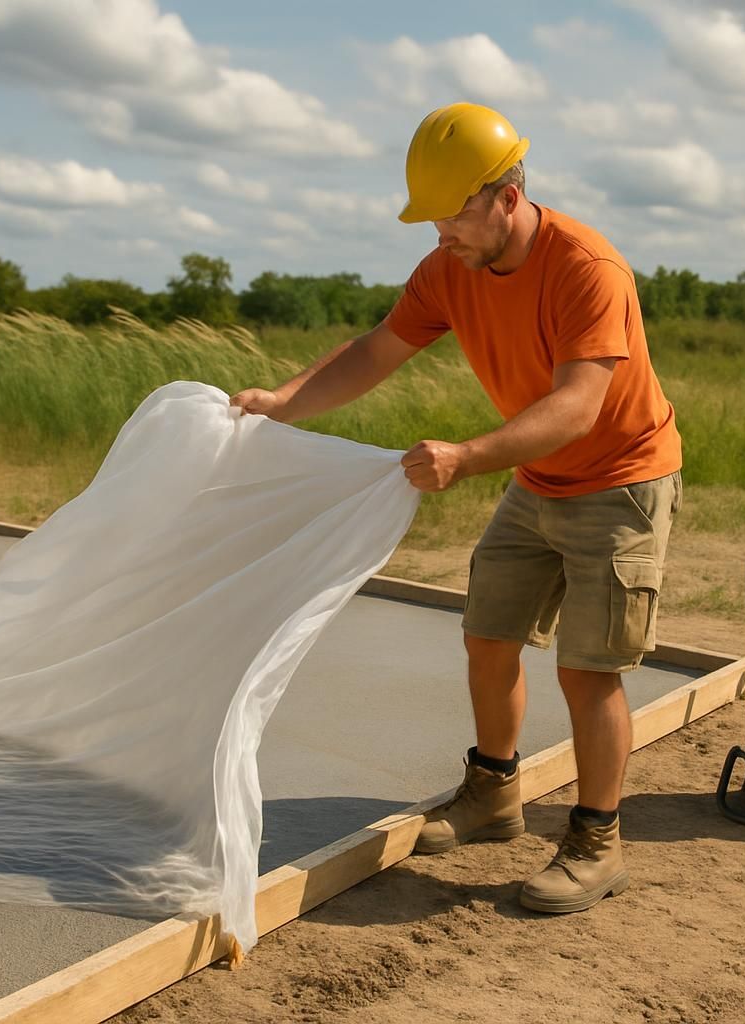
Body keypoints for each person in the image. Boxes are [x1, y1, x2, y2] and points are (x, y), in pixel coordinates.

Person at [230, 102, 682, 914]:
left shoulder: (587, 269)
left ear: (506, 196)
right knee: (487, 638)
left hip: (620, 483)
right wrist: (283, 402)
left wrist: (467, 457)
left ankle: (596, 842)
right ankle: (493, 796)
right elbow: (377, 349)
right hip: (536, 482)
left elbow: (578, 406)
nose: (440, 232)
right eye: (431, 216)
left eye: (453, 213)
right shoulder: (450, 268)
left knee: (587, 670)